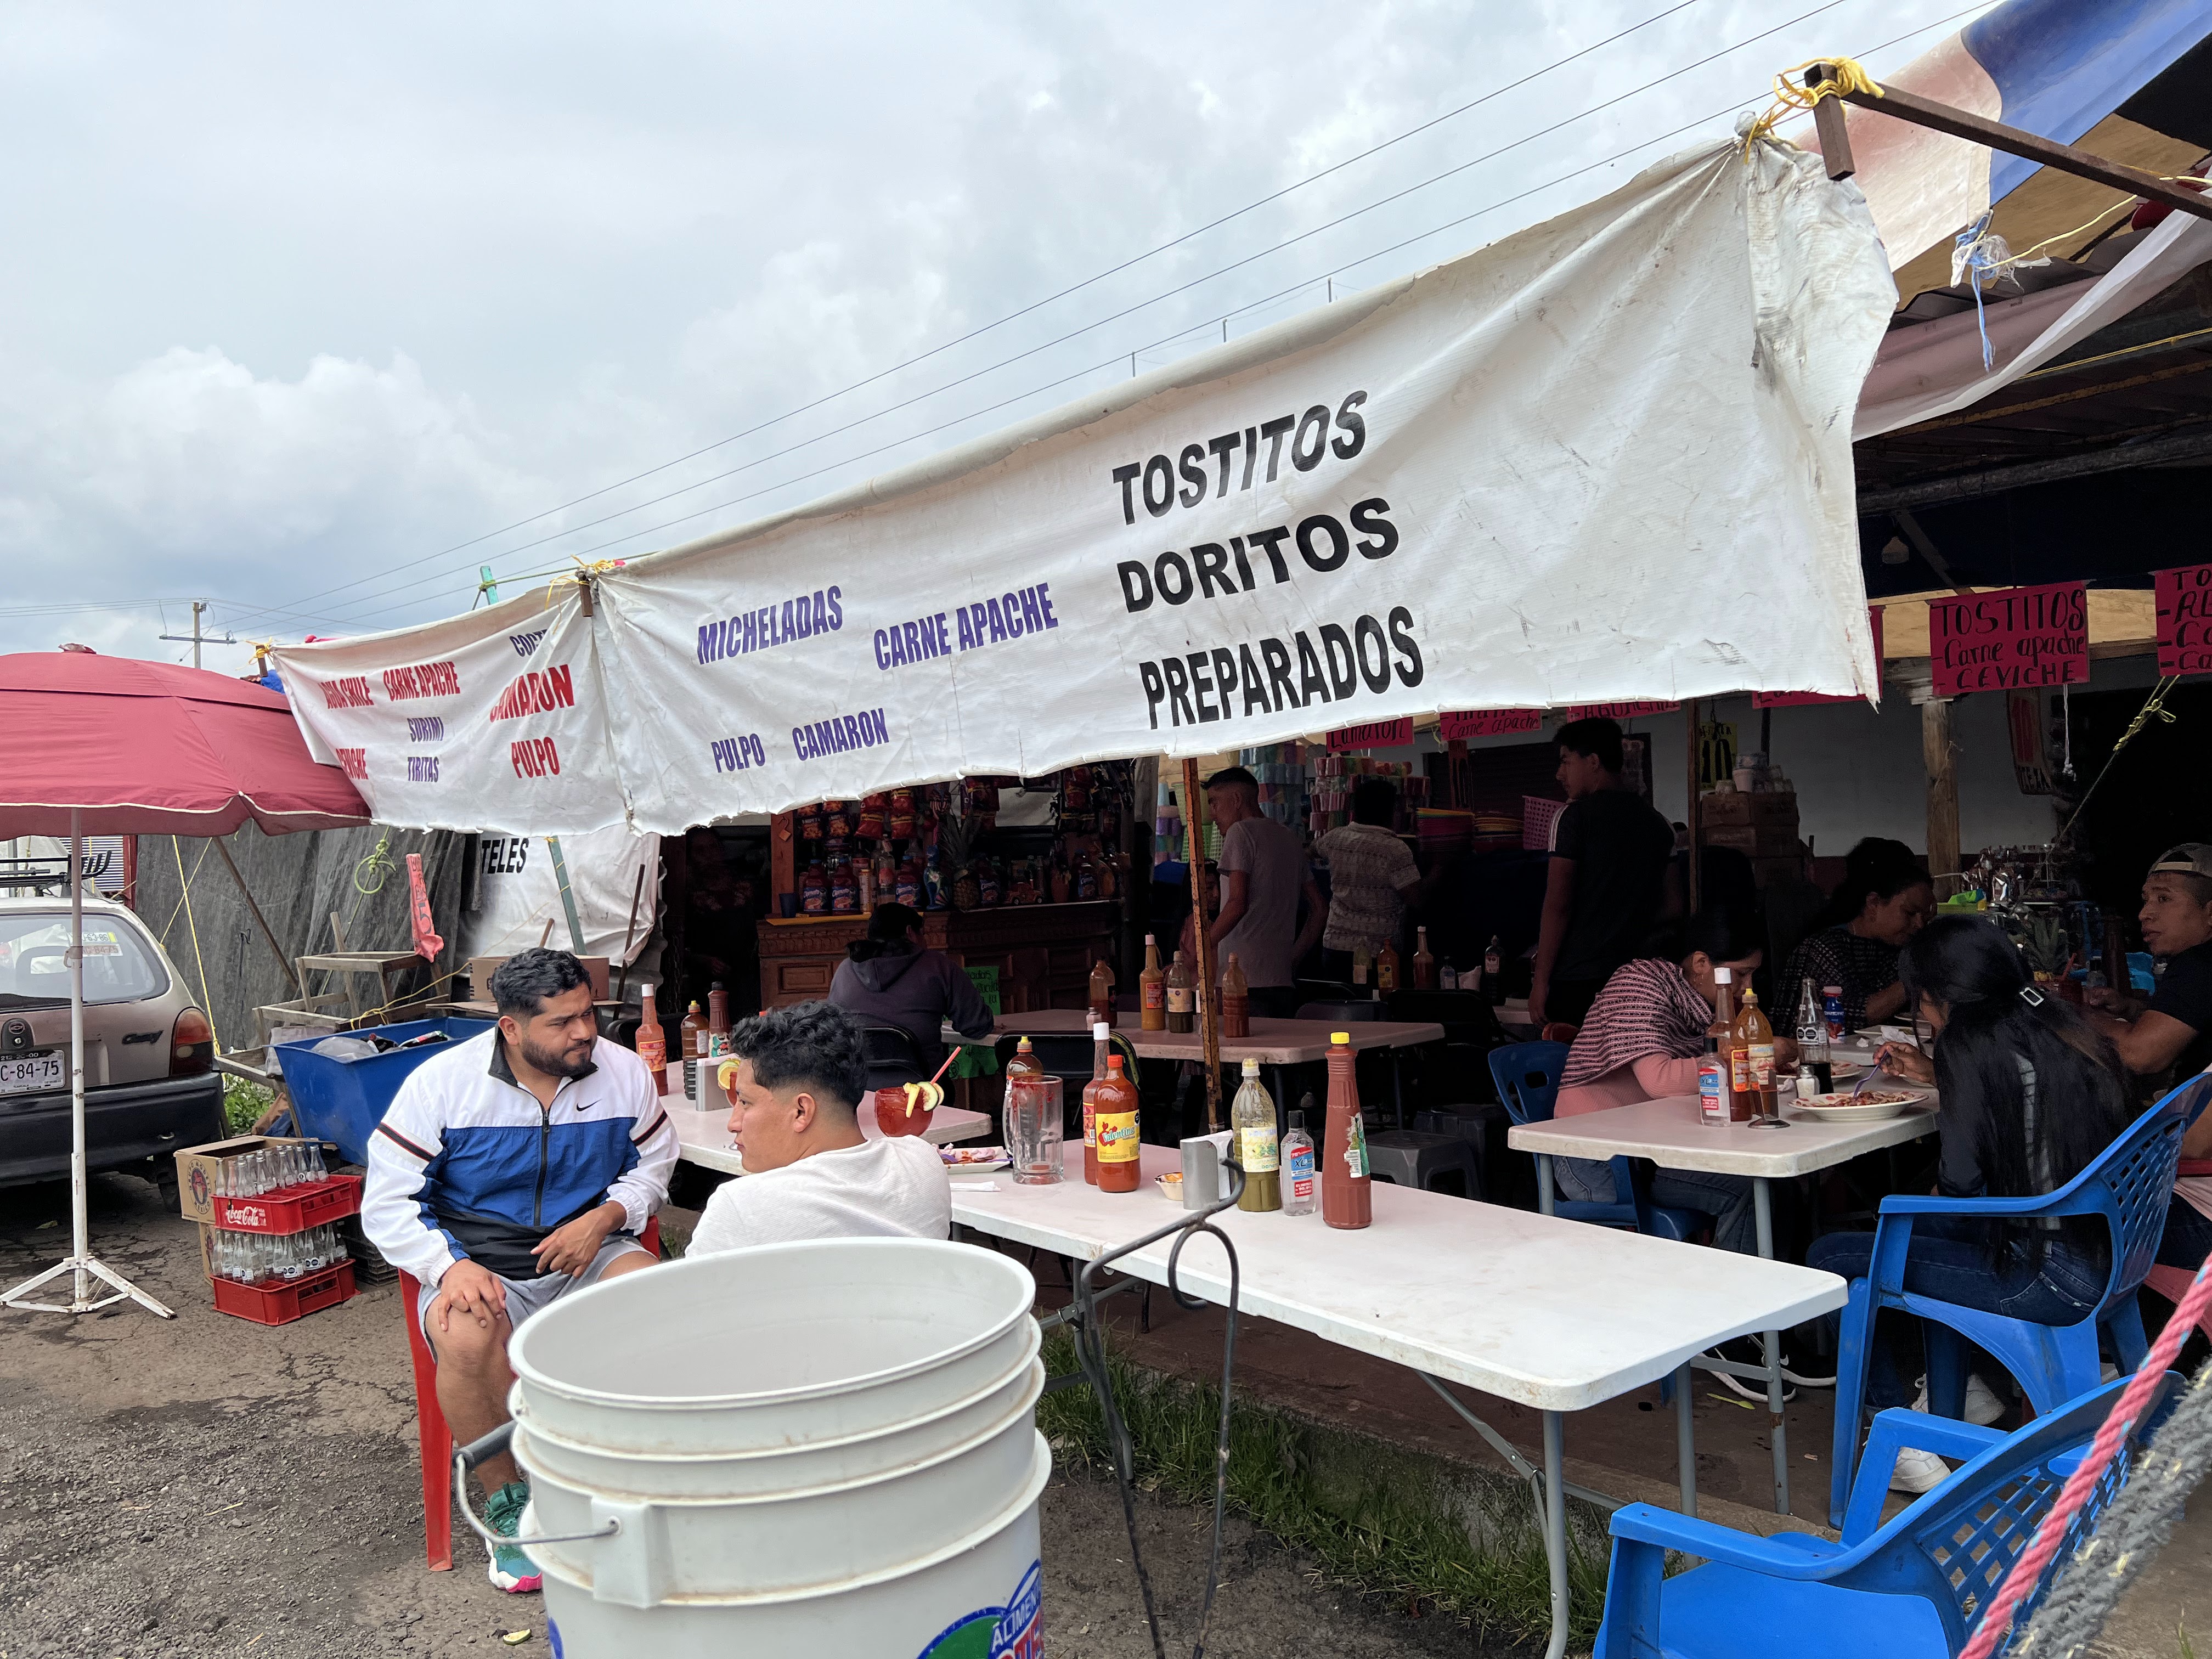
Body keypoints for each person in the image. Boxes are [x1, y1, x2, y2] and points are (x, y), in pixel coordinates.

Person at [361, 949, 676, 1593]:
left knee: (657, 1308)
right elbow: (387, 1200)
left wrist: (609, 1214)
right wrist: (445, 1267)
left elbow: (657, 1162)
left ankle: (634, 1484)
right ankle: (510, 1505)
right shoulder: (441, 1084)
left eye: (587, 1014)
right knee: (466, 1337)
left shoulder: (621, 1073)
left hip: (591, 1251)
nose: (585, 1033)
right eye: (562, 1023)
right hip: (483, 1267)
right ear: (510, 1028)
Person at [1812, 916, 2135, 1492]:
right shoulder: (2055, 1022)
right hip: (2109, 1254)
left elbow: (1960, 1189)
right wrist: (1943, 1082)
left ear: (1936, 994)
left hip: (2046, 1276)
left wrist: (1919, 1203)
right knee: (1933, 1227)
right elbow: (2023, 1102)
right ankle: (1968, 1392)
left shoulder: (1968, 1041)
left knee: (1833, 1254)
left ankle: (1901, 1434)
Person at [1550, 910, 1768, 1254]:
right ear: (1700, 963)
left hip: (1650, 1151)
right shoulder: (1637, 985)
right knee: (1750, 1191)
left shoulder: (1700, 1006)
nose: (1747, 987)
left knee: (1770, 1184)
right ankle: (1737, 1294)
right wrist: (1750, 1059)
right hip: (1596, 1158)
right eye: (1741, 974)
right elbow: (1660, 1082)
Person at [687, 1000, 951, 1253]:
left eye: (745, 1102)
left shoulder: (740, 1208)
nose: (733, 1124)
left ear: (802, 1111)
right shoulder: (923, 1165)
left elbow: (682, 1299)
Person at [2083, 844, 2212, 1271]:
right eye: (2145, 900)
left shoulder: (2201, 966)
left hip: (2199, 1214)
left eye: (2164, 899)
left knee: (2043, 1217)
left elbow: (2140, 1055)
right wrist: (2134, 1010)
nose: (2144, 914)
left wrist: (2071, 1018)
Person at [1530, 718, 1674, 1028]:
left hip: (1580, 981)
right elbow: (1673, 906)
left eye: (1566, 762)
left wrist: (1539, 983)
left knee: (1578, 1072)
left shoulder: (1571, 819)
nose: (1559, 775)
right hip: (1640, 981)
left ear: (1593, 762)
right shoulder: (1659, 823)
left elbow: (1558, 907)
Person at [1198, 766, 1327, 1017]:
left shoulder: (1240, 832)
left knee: (1239, 1053)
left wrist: (1200, 948)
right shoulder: (1289, 838)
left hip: (1241, 981)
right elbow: (1320, 909)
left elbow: (1237, 903)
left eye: (1215, 803)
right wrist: (1292, 958)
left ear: (1236, 800)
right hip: (1281, 980)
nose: (1212, 814)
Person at [1773, 838, 1935, 1034]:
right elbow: (1852, 1015)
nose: (1919, 924)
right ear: (1874, 903)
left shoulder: (1898, 946)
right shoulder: (1825, 949)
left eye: (1925, 917)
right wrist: (1919, 974)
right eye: (1909, 913)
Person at [828, 902, 995, 1079]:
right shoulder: (937, 966)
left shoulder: (844, 970)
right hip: (923, 1094)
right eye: (923, 933)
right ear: (910, 932)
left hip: (857, 1093)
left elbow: (832, 1030)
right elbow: (977, 1026)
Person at [1314, 778, 1423, 977]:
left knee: (1341, 1006)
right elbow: (1416, 899)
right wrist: (1441, 868)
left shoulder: (1335, 838)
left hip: (1334, 946)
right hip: (1379, 952)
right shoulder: (1395, 850)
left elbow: (1309, 853)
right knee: (1376, 1006)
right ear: (1391, 811)